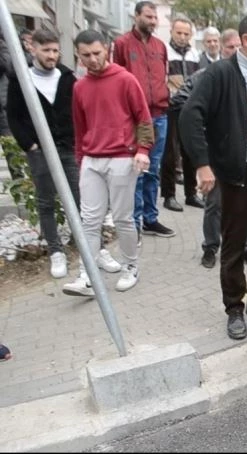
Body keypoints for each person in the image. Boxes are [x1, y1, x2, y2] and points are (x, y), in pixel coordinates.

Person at [180, 15, 247, 340]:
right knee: (234, 244)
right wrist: (202, 164)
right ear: (245, 39)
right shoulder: (220, 73)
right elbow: (189, 114)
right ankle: (234, 308)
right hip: (238, 174)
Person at [6, 29, 121, 279]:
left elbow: (79, 111)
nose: (52, 55)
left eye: (55, 50)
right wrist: (30, 146)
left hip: (68, 148)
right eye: (46, 50)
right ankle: (56, 251)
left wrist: (78, 141)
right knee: (46, 201)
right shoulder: (21, 79)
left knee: (84, 202)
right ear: (32, 48)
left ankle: (96, 250)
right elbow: (13, 115)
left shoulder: (67, 77)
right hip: (40, 151)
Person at [62, 30, 153, 296]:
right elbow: (80, 127)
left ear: (107, 50)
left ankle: (130, 267)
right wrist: (81, 160)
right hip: (92, 160)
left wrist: (143, 149)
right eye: (86, 55)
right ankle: (86, 276)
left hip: (122, 159)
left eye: (96, 53)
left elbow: (143, 118)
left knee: (123, 219)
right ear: (78, 56)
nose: (92, 59)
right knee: (89, 221)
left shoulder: (126, 80)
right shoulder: (79, 87)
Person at [168, 29, 240, 269]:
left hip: (242, 153)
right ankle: (210, 247)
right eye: (230, 47)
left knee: (245, 203)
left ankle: (246, 247)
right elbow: (180, 101)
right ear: (222, 49)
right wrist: (207, 118)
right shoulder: (206, 75)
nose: (235, 52)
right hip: (215, 152)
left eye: (239, 47)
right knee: (215, 203)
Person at [113, 1, 175, 238]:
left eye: (155, 18)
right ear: (136, 15)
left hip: (159, 115)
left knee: (153, 169)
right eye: (148, 16)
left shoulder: (160, 46)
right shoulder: (121, 44)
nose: (152, 21)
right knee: (137, 170)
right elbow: (115, 80)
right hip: (135, 118)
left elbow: (164, 75)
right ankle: (135, 221)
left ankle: (151, 218)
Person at [161, 15, 202, 212]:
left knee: (190, 152)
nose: (182, 37)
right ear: (171, 31)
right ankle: (169, 195)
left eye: (186, 33)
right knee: (169, 153)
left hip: (190, 108)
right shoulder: (164, 52)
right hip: (170, 107)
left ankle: (191, 193)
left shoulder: (195, 54)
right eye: (179, 32)